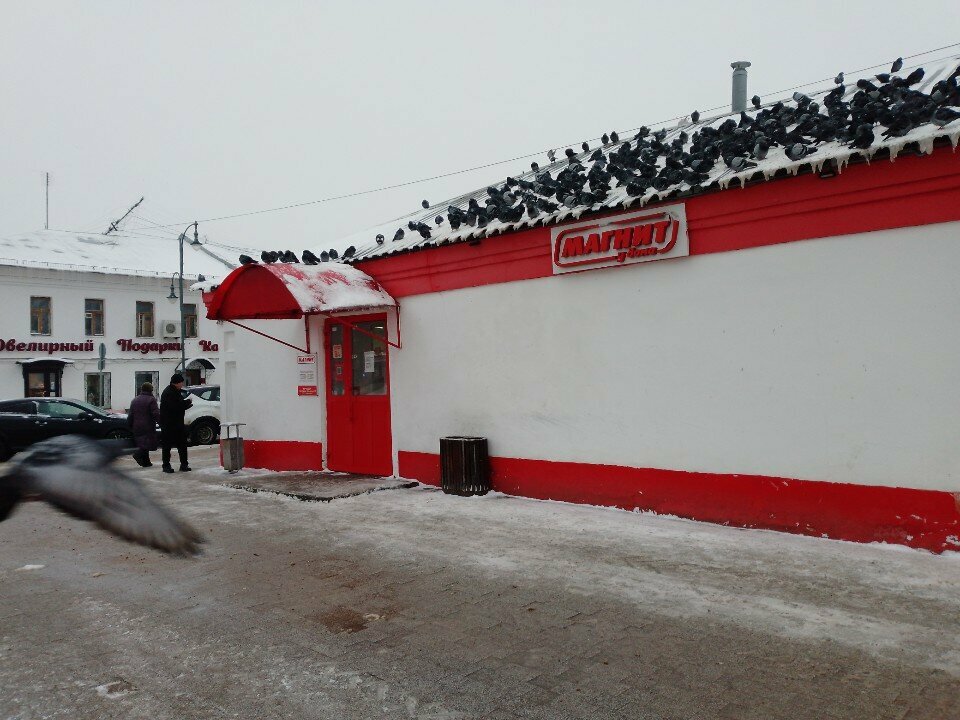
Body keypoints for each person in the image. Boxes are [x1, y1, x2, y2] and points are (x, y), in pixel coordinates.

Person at [159, 373, 193, 474]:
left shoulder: (175, 391)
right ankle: (166, 465)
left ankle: (184, 464)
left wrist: (187, 405)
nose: (182, 384)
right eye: (181, 382)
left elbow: (178, 405)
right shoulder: (169, 392)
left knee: (182, 445)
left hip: (177, 423)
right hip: (169, 424)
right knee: (167, 446)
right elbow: (175, 407)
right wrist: (187, 402)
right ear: (177, 383)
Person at [128, 382, 161, 467]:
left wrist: (130, 425)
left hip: (136, 425)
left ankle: (146, 462)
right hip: (148, 425)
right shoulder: (151, 399)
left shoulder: (135, 400)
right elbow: (155, 413)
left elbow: (131, 414)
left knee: (142, 443)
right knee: (146, 443)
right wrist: (161, 423)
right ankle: (137, 454)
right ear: (151, 390)